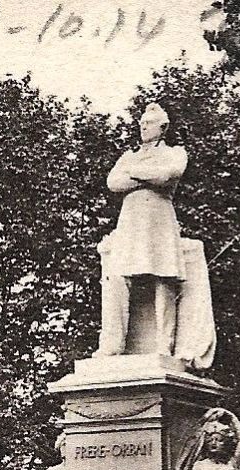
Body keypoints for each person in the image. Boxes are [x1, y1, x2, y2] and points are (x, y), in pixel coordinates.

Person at [98, 103, 188, 356]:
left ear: (163, 127)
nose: (142, 127)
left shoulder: (175, 152)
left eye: (148, 123)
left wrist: (134, 174)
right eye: (141, 123)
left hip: (159, 220)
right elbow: (113, 183)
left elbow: (169, 175)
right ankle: (112, 344)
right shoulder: (129, 155)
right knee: (117, 276)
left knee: (164, 277)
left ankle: (164, 345)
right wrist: (148, 174)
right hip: (130, 222)